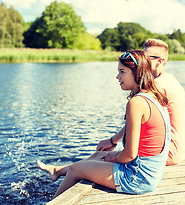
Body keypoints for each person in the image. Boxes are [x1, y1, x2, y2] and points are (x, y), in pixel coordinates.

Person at [38, 50, 171, 199]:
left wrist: (115, 157)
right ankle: (57, 171)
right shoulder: (154, 95)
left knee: (76, 169)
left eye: (122, 72)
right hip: (152, 173)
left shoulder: (136, 103)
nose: (117, 77)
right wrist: (112, 150)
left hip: (138, 178)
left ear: (137, 73)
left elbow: (130, 155)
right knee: (98, 155)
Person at [98, 39, 185, 165]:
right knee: (97, 158)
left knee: (98, 159)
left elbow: (135, 122)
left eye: (147, 57)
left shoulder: (158, 86)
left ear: (159, 61)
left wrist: (113, 141)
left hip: (166, 152)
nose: (142, 60)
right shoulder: (168, 79)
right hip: (174, 149)